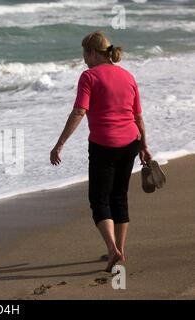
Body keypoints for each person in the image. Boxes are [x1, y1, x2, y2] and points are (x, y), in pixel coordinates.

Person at [49, 31, 153, 272]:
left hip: (103, 145)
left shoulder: (89, 77)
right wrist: (145, 146)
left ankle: (112, 250)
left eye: (85, 54)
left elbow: (79, 111)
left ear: (93, 53)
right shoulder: (127, 76)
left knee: (99, 199)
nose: (84, 59)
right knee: (119, 196)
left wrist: (60, 143)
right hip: (130, 143)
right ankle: (120, 250)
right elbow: (137, 115)